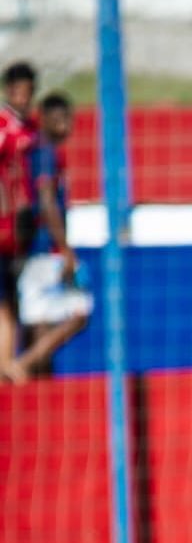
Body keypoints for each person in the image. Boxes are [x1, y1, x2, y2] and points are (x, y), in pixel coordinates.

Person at [13, 91, 92, 379]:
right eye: (57, 120)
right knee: (80, 312)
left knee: (41, 319)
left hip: (35, 248)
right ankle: (22, 365)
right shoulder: (45, 153)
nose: (64, 126)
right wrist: (65, 247)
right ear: (43, 119)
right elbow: (46, 201)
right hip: (45, 248)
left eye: (67, 120)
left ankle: (37, 377)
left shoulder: (38, 151)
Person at [0, 61, 37, 384]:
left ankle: (11, 362)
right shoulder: (2, 125)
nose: (21, 97)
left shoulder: (30, 129)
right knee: (6, 303)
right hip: (4, 229)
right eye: (16, 91)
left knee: (15, 300)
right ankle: (5, 365)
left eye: (26, 91)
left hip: (19, 232)